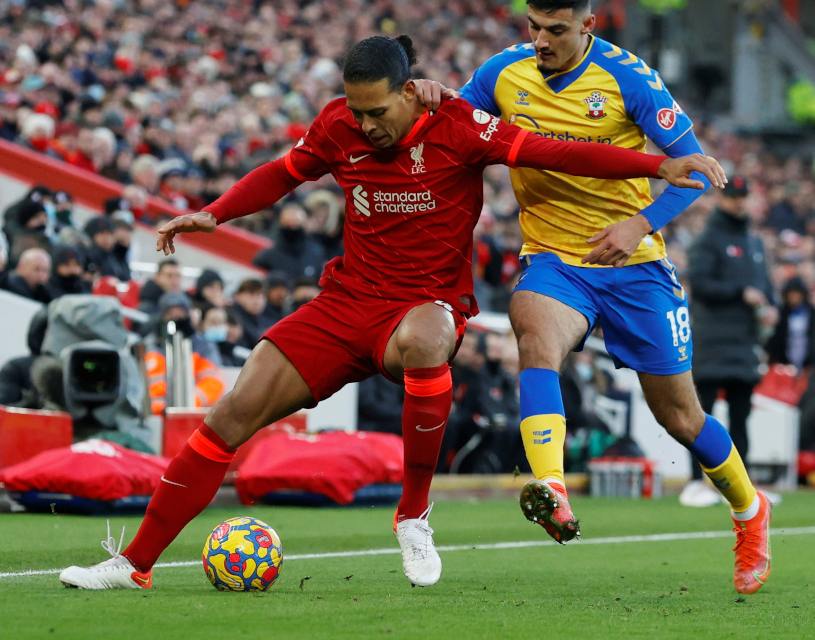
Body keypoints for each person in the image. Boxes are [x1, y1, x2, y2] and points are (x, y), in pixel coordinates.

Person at [58, 34, 717, 591]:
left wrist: (657, 165)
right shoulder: (337, 126)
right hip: (346, 303)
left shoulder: (460, 126)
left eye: (377, 111)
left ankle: (413, 516)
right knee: (231, 412)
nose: (366, 124)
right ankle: (134, 564)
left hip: (421, 308)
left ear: (408, 93)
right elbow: (284, 172)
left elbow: (561, 152)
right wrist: (216, 212)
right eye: (357, 110)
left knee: (430, 335)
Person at [415, 0, 766, 595]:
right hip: (555, 258)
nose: (541, 40)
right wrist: (431, 96)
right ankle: (550, 484)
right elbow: (453, 126)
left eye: (556, 29)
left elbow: (690, 170)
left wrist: (640, 223)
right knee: (533, 327)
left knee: (681, 417)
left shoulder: (629, 78)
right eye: (533, 27)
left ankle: (750, 511)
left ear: (588, 25)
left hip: (635, 267)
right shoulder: (503, 73)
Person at [685, 177, 776, 507]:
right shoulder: (708, 238)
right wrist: (740, 293)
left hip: (744, 341)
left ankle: (741, 486)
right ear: (721, 199)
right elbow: (699, 283)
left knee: (741, 416)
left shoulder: (753, 241)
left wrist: (771, 307)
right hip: (712, 339)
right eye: (733, 196)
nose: (739, 202)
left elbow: (765, 285)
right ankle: (697, 482)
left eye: (743, 196)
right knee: (701, 415)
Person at [143, 292, 225, 415]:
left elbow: (213, 382)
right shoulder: (148, 346)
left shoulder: (204, 347)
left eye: (180, 314)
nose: (175, 319)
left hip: (192, 415)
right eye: (169, 314)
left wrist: (190, 403)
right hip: (154, 416)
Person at [251, 203, 327, 282]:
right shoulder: (267, 256)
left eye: (296, 223)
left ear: (305, 223)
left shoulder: (316, 252)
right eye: (289, 224)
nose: (293, 227)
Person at [767, 276, 815, 370]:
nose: (793, 297)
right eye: (791, 294)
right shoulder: (783, 313)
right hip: (785, 361)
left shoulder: (812, 313)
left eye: (796, 294)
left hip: (807, 359)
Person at [228, 278, 271, 349]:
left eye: (260, 295)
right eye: (251, 294)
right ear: (238, 295)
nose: (257, 300)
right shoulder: (231, 317)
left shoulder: (262, 320)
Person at [83, 216, 130, 280]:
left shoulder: (117, 256)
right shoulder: (85, 256)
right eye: (102, 234)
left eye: (110, 234)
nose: (107, 238)